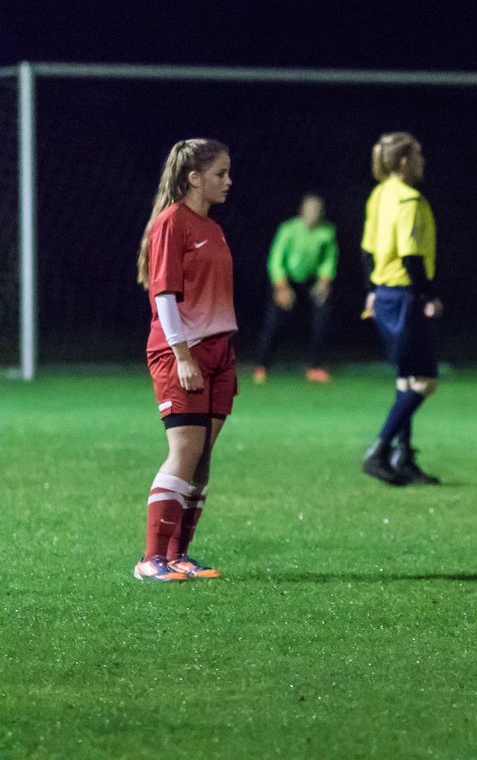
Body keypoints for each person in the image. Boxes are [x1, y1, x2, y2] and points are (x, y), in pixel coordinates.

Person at [133, 138, 236, 582]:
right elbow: (164, 294)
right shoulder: (172, 223)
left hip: (218, 351)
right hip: (182, 351)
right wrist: (181, 354)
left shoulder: (212, 227)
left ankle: (179, 555)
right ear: (193, 178)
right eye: (220, 174)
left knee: (203, 456)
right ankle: (150, 560)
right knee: (185, 450)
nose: (228, 182)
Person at [359, 132, 441, 486]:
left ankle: (403, 457)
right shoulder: (408, 200)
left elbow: (366, 249)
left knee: (406, 378)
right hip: (405, 294)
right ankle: (379, 449)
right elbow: (410, 254)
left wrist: (371, 291)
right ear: (405, 160)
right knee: (425, 381)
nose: (423, 161)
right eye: (418, 155)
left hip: (384, 291)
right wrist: (426, 296)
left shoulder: (379, 194)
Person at [252, 194, 338, 384]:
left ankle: (316, 367)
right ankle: (261, 365)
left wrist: (324, 282)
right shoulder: (288, 229)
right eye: (310, 209)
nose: (313, 213)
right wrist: (282, 287)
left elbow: (329, 259)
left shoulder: (327, 231)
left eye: (317, 210)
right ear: (302, 211)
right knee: (273, 323)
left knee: (322, 320)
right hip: (287, 280)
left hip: (312, 282)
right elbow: (276, 259)